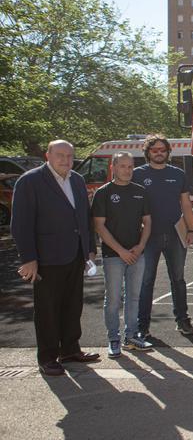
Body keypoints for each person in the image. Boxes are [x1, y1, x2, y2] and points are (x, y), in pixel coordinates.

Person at [11, 140, 99, 376]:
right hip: (46, 257)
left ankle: (70, 349)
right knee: (47, 309)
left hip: (75, 255)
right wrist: (28, 258)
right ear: (47, 155)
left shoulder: (77, 180)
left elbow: (84, 218)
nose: (66, 160)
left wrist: (90, 248)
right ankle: (48, 357)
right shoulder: (30, 181)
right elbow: (20, 224)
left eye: (70, 156)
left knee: (72, 305)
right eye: (60, 155)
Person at [134, 134, 193, 339]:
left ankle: (183, 320)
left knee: (178, 279)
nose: (159, 153)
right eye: (155, 150)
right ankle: (142, 325)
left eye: (163, 149)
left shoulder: (178, 174)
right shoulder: (137, 174)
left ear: (168, 152)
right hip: (148, 236)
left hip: (175, 234)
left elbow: (186, 205)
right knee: (146, 281)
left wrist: (191, 230)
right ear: (147, 153)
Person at [92, 152, 153, 357]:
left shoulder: (140, 191)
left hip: (137, 254)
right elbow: (99, 227)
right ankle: (113, 339)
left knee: (134, 297)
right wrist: (121, 251)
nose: (127, 170)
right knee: (114, 299)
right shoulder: (103, 193)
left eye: (130, 167)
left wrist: (141, 246)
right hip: (113, 256)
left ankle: (131, 336)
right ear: (113, 168)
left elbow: (147, 222)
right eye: (123, 166)